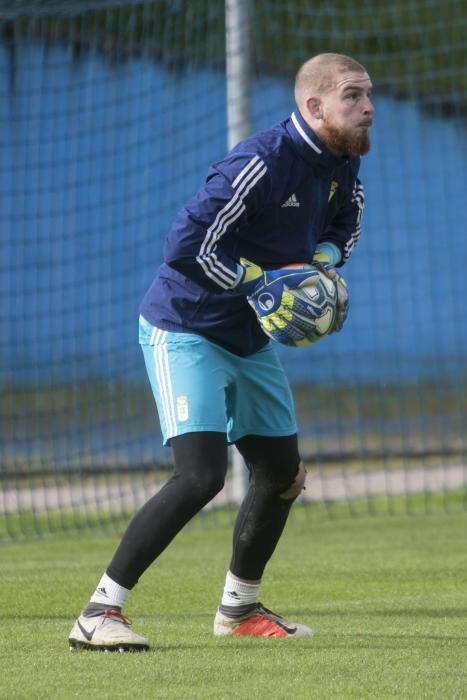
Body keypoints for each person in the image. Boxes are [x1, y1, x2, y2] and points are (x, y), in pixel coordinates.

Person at [69, 52, 374, 650]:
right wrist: (260, 281)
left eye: (368, 95)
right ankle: (98, 613)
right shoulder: (259, 164)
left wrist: (324, 263)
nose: (368, 108)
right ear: (314, 106)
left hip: (246, 338)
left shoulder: (341, 165)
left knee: (283, 474)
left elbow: (347, 223)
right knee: (201, 475)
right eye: (353, 96)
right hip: (185, 326)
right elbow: (184, 246)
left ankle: (239, 611)